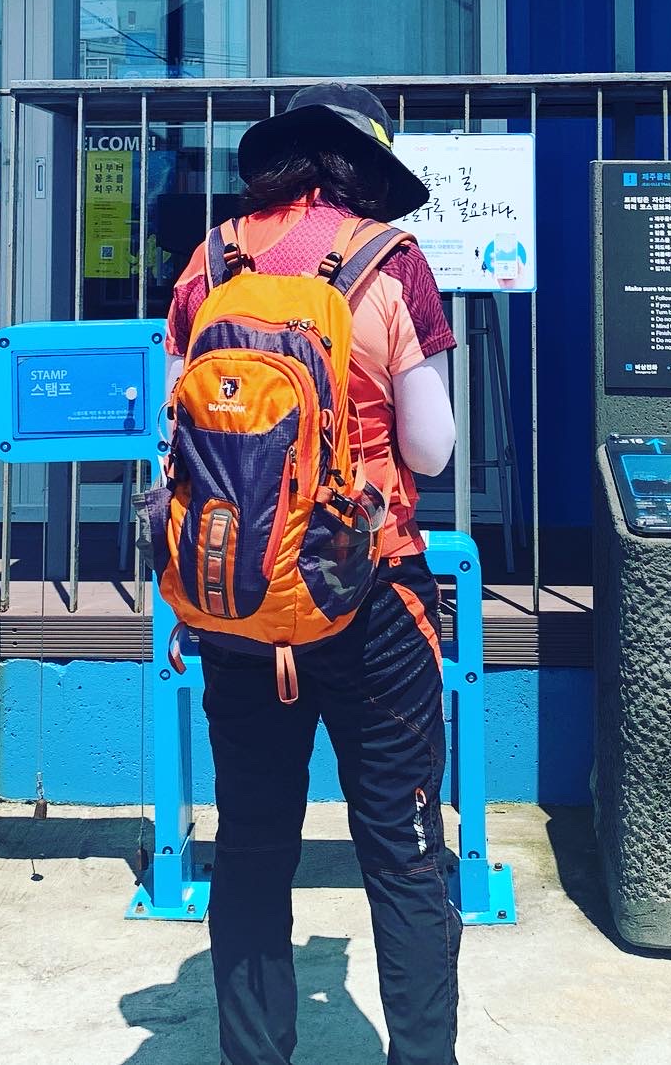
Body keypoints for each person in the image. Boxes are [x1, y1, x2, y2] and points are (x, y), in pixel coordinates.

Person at [166, 82, 461, 1065]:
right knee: (404, 855)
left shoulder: (209, 263)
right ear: (365, 164)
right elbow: (431, 453)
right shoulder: (391, 262)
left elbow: (181, 440)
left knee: (251, 849)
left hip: (239, 602)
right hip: (371, 596)